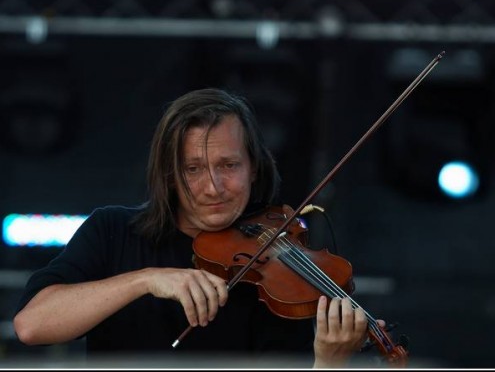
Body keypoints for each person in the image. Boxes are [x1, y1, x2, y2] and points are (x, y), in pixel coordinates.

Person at [13, 88, 371, 368]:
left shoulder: (279, 274)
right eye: (193, 169)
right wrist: (146, 279)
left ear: (254, 169)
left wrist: (328, 364)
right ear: (169, 174)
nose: (213, 187)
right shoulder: (113, 229)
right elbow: (32, 326)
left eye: (228, 165)